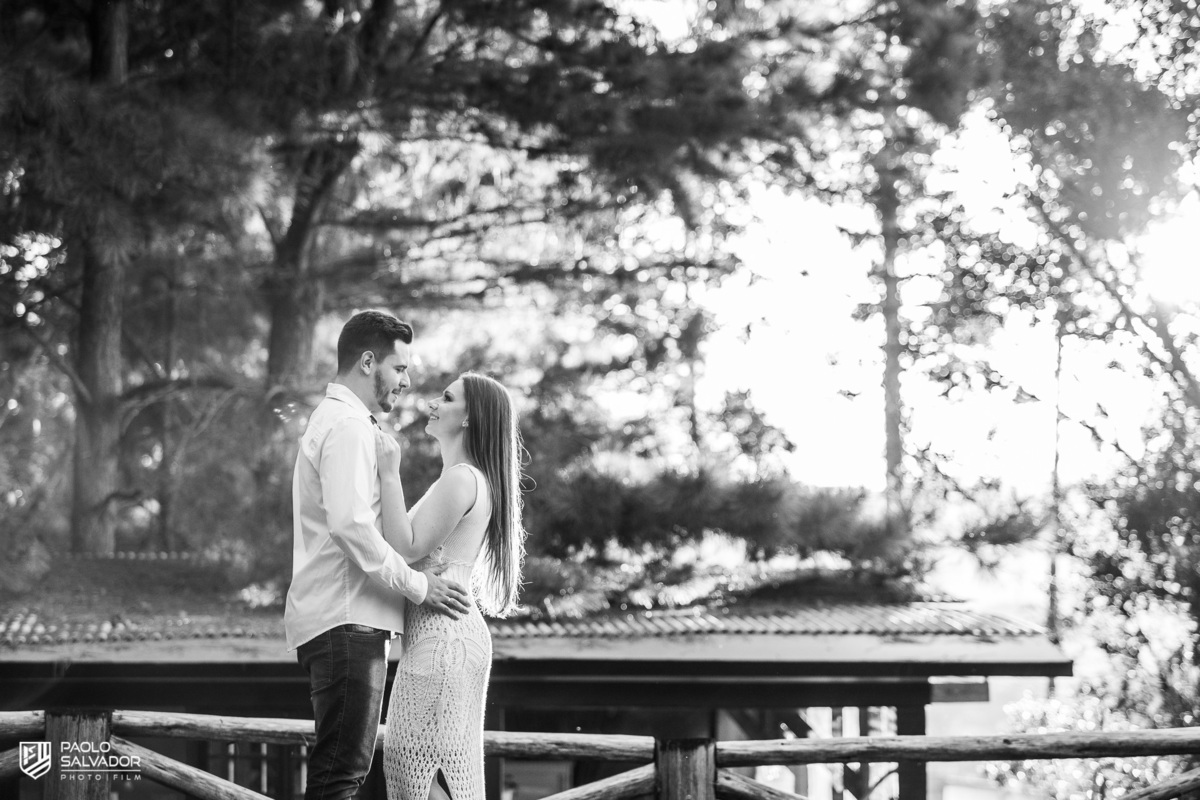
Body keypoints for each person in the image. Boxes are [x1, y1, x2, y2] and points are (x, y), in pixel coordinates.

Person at [284, 310, 472, 800]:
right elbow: (351, 526)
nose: (406, 382)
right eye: (400, 368)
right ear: (368, 362)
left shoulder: (341, 421)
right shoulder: (347, 426)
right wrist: (420, 586)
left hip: (344, 620)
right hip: (348, 622)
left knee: (340, 772)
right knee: (339, 778)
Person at [374, 372, 527, 800]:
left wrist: (389, 472)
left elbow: (404, 548)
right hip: (451, 635)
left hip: (444, 640)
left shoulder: (461, 478)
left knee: (415, 765)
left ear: (469, 417)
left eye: (446, 397)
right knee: (426, 767)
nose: (432, 403)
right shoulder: (467, 478)